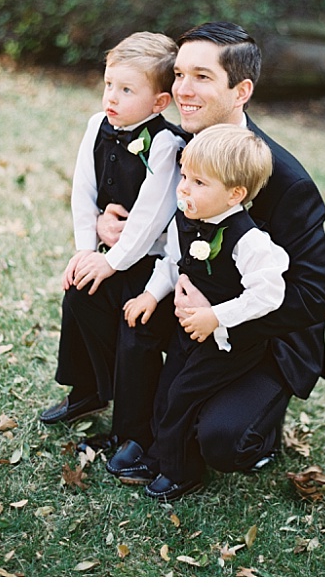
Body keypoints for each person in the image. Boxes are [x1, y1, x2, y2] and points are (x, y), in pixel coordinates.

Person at [102, 21, 325, 485]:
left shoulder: (289, 184)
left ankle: (256, 430)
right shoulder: (176, 144)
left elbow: (313, 297)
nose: (182, 88)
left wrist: (222, 314)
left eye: (201, 77)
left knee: (223, 441)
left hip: (262, 334)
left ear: (241, 90)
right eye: (179, 74)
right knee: (122, 295)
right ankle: (136, 433)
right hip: (188, 288)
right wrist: (106, 222)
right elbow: (152, 218)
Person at [113, 124, 288, 500]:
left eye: (199, 182)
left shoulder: (248, 239)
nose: (184, 188)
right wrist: (150, 295)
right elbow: (172, 263)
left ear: (234, 194)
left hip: (228, 344)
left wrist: (218, 317)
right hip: (188, 330)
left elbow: (270, 294)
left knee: (183, 397)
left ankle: (183, 471)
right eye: (185, 177)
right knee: (167, 390)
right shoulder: (185, 222)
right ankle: (159, 457)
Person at [39, 32, 184, 447]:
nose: (112, 97)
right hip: (110, 251)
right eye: (108, 85)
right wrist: (87, 250)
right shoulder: (97, 125)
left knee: (130, 324)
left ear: (159, 102)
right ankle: (86, 391)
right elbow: (82, 189)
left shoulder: (163, 143)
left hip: (151, 263)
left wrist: (112, 261)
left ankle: (132, 429)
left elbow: (152, 215)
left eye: (126, 89)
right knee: (78, 294)